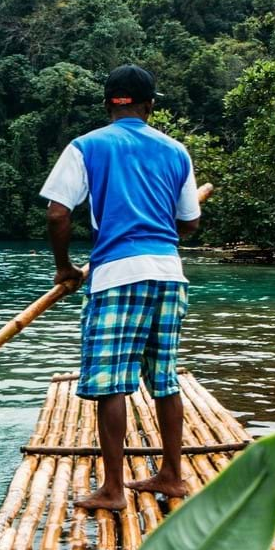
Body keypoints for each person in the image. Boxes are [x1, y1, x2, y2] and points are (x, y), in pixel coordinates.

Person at [40, 64, 212, 512]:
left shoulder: (87, 145)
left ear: (107, 104)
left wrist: (65, 268)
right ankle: (172, 475)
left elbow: (59, 214)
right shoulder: (176, 151)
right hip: (169, 274)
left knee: (111, 383)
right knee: (165, 379)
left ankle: (114, 489)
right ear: (150, 106)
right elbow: (190, 223)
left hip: (118, 274)